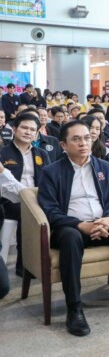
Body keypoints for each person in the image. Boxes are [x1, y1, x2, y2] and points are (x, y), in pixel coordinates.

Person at [37, 120, 109, 336]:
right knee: (70, 238)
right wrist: (81, 225)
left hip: (102, 223)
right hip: (71, 227)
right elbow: (50, 210)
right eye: (76, 139)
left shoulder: (104, 167)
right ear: (63, 145)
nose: (83, 143)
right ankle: (74, 309)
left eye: (87, 138)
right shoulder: (51, 172)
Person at [0, 113, 52, 276]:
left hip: (35, 199)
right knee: (27, 213)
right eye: (24, 128)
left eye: (32, 130)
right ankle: (23, 267)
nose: (28, 132)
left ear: (37, 133)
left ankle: (29, 265)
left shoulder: (42, 154)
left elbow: (48, 181)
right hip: (8, 202)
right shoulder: (3, 153)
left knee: (37, 212)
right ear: (15, 129)